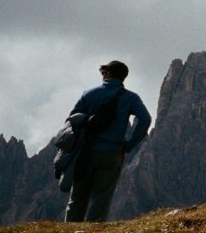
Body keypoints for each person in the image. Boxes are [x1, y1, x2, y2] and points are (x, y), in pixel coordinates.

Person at [64, 60, 152, 222]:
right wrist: (129, 145)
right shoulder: (130, 98)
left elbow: (72, 121)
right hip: (113, 153)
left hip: (86, 151)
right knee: (102, 195)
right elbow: (145, 119)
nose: (102, 75)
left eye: (104, 72)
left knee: (79, 193)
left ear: (109, 74)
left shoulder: (89, 94)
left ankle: (69, 231)